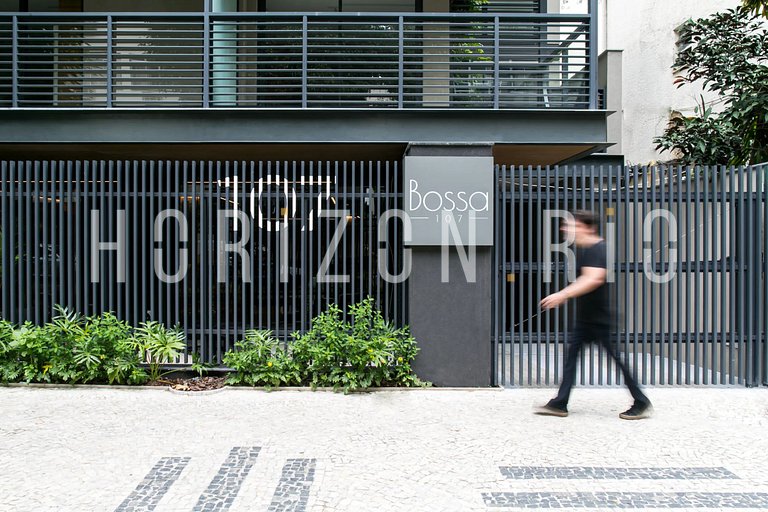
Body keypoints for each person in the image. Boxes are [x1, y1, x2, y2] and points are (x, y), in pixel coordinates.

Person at [536, 210, 652, 420]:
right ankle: (560, 403)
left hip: (600, 320)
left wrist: (563, 294)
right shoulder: (587, 249)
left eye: (572, 225)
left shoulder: (598, 249)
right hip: (586, 319)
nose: (565, 229)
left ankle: (641, 401)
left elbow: (593, 278)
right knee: (572, 358)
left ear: (588, 227)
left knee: (617, 361)